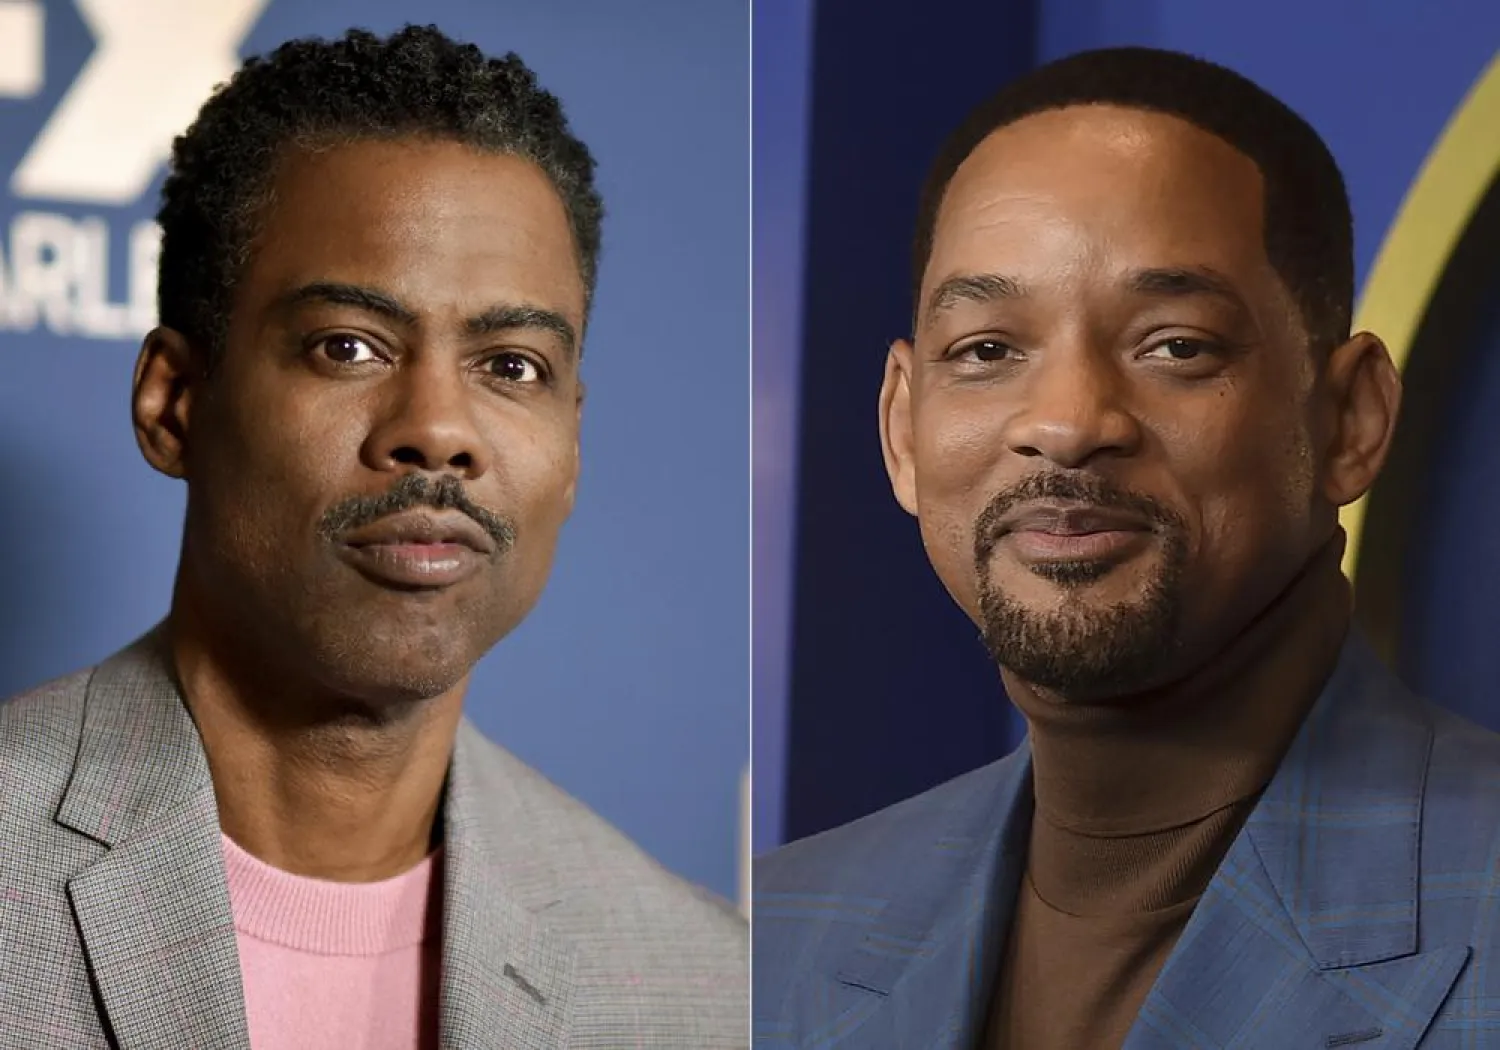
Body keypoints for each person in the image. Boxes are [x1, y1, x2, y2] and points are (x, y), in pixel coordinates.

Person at [0, 25, 745, 1050]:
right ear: (176, 405)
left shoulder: (701, 987)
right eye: (347, 346)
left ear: (572, 446)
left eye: (512, 366)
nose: (437, 429)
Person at [754, 46, 1500, 1049]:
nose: (1066, 423)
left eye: (1175, 345)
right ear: (902, 431)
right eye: (987, 351)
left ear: (1350, 419)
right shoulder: (764, 942)